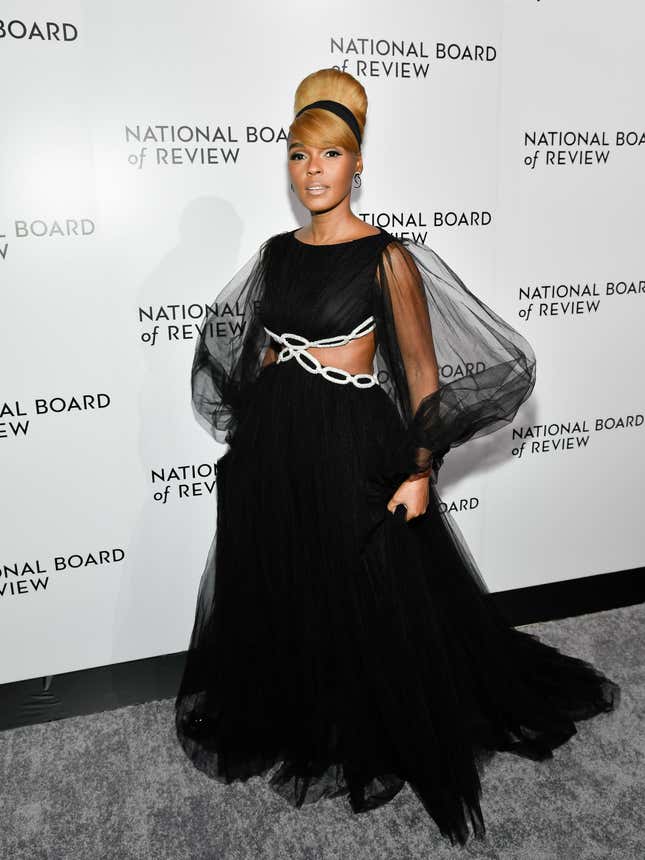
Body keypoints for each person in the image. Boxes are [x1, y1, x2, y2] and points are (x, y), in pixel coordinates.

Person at [175, 68, 619, 846]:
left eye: (330, 154)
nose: (312, 169)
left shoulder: (387, 258)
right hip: (278, 445)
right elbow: (251, 355)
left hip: (353, 443)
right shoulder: (276, 255)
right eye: (297, 154)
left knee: (369, 589)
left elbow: (419, 371)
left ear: (357, 164)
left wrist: (420, 470)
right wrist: (253, 439)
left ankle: (374, 720)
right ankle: (301, 706)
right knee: (290, 579)